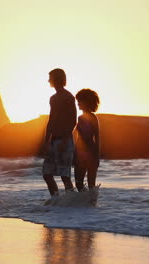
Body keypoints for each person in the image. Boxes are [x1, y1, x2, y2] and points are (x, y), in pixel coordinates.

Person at [42, 68, 77, 197]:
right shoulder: (53, 98)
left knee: (64, 176)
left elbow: (73, 121)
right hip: (53, 140)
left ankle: (72, 202)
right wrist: (46, 141)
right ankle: (56, 200)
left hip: (65, 141)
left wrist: (64, 139)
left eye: (50, 77)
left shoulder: (69, 97)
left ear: (57, 79)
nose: (48, 80)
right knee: (47, 174)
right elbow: (51, 120)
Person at [74, 89, 100, 191]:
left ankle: (89, 204)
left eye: (79, 101)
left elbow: (97, 137)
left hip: (90, 152)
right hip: (83, 152)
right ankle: (85, 204)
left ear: (86, 102)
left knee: (89, 183)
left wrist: (97, 155)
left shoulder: (92, 118)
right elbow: (78, 137)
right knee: (80, 183)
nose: (78, 103)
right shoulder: (80, 118)